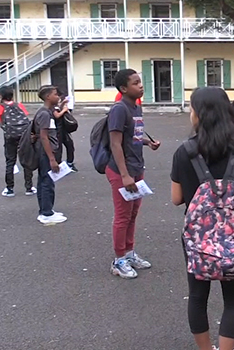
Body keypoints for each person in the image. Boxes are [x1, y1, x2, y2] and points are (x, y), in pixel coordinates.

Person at [171, 87, 234, 350]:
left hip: (198, 238)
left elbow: (176, 198)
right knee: (233, 300)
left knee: (198, 296)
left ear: (199, 114)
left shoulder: (184, 152)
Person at [107, 69, 161, 279]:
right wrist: (125, 175)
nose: (141, 85)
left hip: (137, 168)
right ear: (123, 88)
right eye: (136, 82)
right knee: (122, 216)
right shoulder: (119, 109)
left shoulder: (135, 107)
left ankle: (129, 253)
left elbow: (133, 136)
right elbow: (115, 143)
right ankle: (119, 259)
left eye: (140, 81)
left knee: (133, 214)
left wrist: (148, 143)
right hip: (122, 171)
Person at [0, 86, 36, 197]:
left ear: (1, 96)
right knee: (26, 161)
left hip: (10, 138)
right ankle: (29, 188)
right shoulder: (19, 105)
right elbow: (25, 119)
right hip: (24, 137)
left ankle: (9, 189)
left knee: (10, 162)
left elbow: (0, 123)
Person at [33, 85, 66, 225]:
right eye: (55, 94)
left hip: (45, 152)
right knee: (47, 182)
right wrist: (52, 159)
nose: (58, 97)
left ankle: (46, 211)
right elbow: (44, 136)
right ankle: (46, 213)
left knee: (44, 181)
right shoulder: (45, 114)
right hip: (46, 153)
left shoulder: (47, 112)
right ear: (48, 97)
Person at [53, 90, 78, 172]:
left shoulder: (57, 105)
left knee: (70, 145)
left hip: (64, 129)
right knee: (58, 149)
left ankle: (70, 163)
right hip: (57, 130)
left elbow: (59, 109)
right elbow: (57, 115)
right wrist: (64, 110)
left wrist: (63, 104)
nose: (58, 98)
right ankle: (58, 166)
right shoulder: (52, 106)